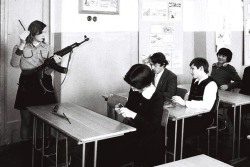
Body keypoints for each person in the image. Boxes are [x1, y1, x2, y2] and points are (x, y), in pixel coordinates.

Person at [98, 64, 164, 167]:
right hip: (132, 132)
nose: (132, 88)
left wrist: (133, 115)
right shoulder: (135, 89)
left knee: (109, 149)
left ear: (145, 84)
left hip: (148, 141)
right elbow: (130, 106)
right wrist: (122, 109)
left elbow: (153, 126)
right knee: (100, 143)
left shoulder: (157, 97)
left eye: (134, 86)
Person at [10, 20, 64, 141]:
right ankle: (25, 148)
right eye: (41, 33)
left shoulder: (47, 47)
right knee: (26, 120)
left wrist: (54, 64)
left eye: (45, 32)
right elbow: (14, 64)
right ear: (33, 33)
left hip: (44, 84)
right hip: (27, 84)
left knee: (44, 120)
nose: (44, 35)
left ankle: (41, 148)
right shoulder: (20, 46)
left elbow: (49, 72)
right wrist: (22, 43)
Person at [169, 58, 218, 155]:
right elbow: (190, 93)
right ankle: (180, 153)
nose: (190, 71)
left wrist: (185, 103)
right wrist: (184, 98)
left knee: (178, 133)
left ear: (200, 68)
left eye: (192, 68)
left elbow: (208, 106)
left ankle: (190, 156)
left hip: (204, 118)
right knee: (170, 128)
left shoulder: (211, 84)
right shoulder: (195, 80)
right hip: (191, 115)